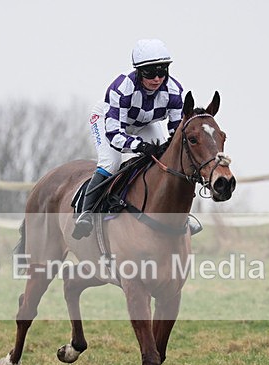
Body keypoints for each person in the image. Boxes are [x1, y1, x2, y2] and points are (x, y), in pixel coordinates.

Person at [73, 38, 187, 239]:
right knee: (111, 163)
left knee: (164, 161)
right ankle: (86, 213)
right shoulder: (122, 88)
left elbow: (177, 132)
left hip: (145, 123)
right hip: (108, 120)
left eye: (162, 72)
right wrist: (139, 146)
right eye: (151, 72)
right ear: (139, 71)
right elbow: (114, 134)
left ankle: (179, 216)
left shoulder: (174, 92)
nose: (157, 79)